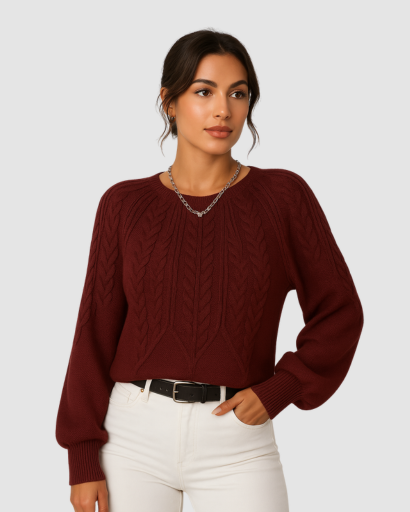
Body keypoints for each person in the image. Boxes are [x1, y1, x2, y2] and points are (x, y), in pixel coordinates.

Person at [55, 28, 364, 512]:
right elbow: (94, 333)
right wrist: (82, 455)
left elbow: (340, 312)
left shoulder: (283, 198)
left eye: (238, 94)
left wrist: (283, 387)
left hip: (237, 440)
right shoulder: (123, 204)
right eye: (204, 92)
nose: (223, 110)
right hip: (131, 437)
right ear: (169, 102)